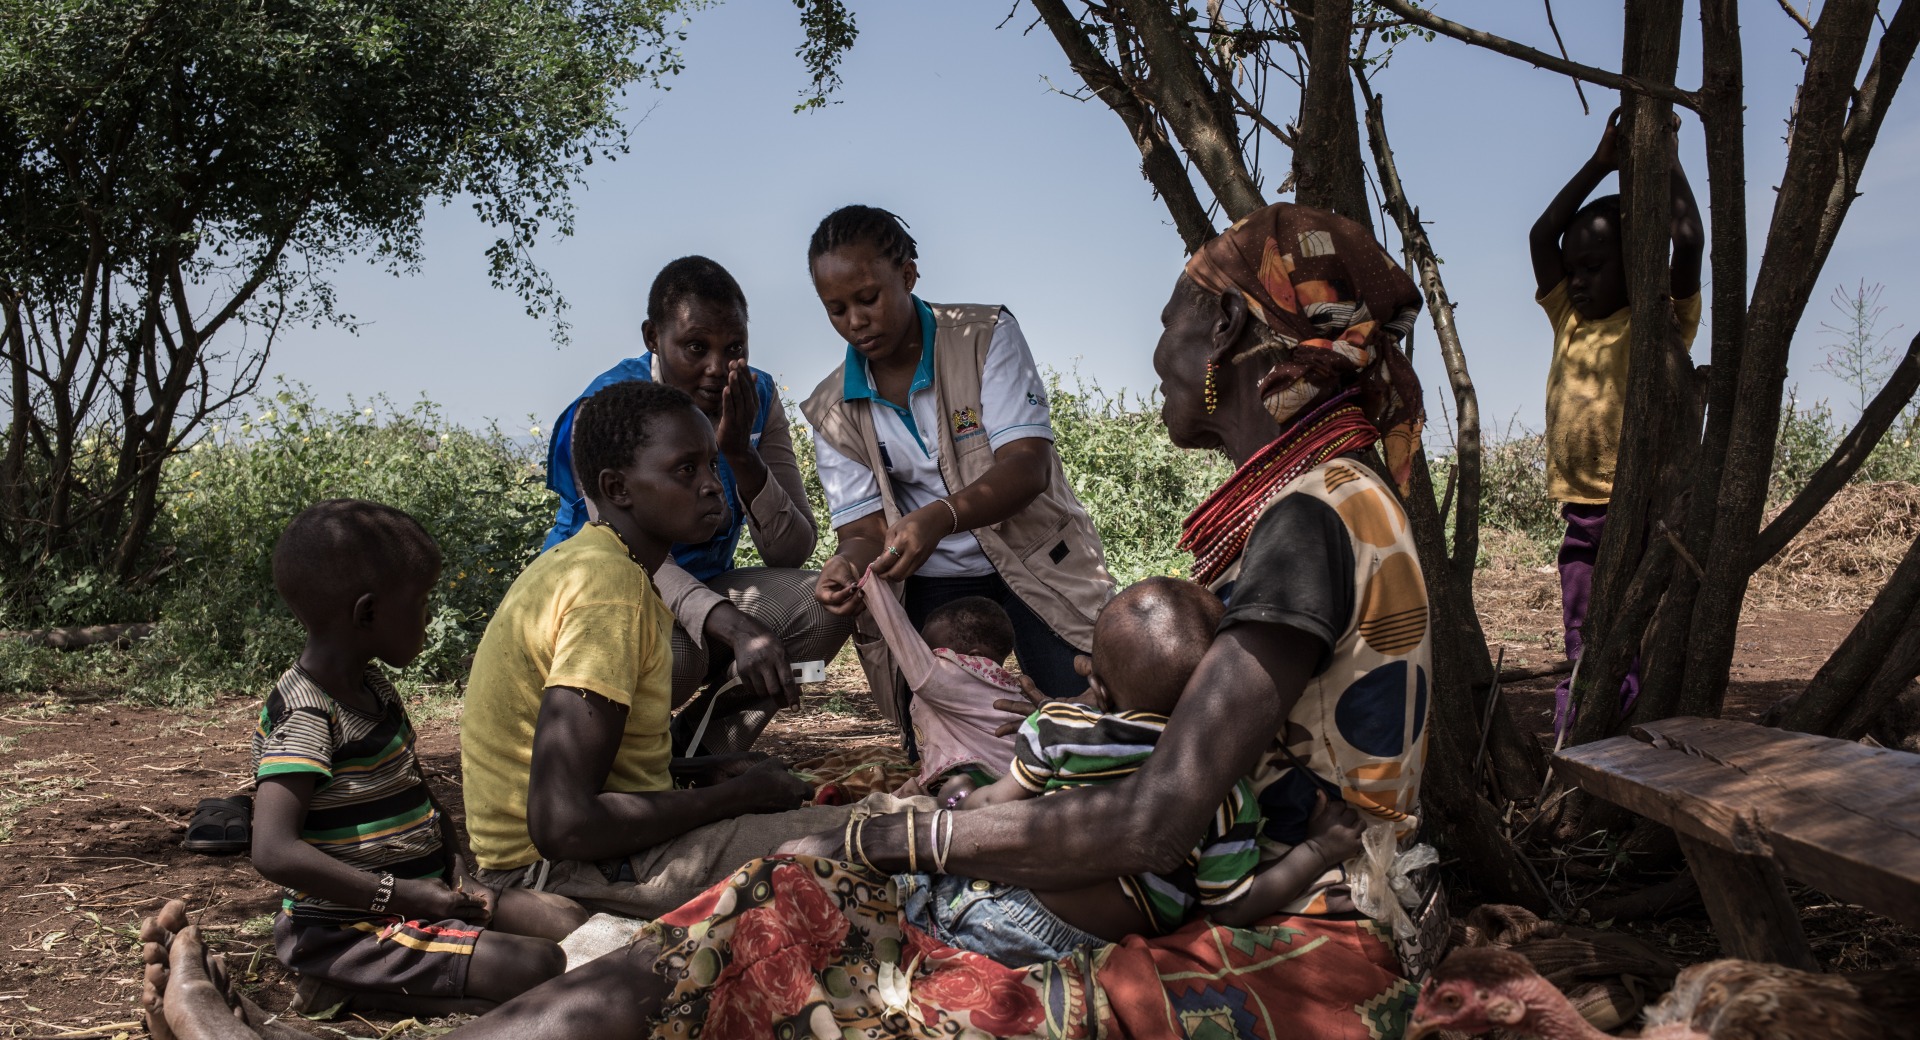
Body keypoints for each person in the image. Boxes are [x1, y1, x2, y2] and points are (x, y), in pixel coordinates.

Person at [141, 203, 1431, 1040]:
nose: (1158, 352)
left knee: (751, 927)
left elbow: (1158, 816)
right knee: (750, 912)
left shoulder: (1314, 517)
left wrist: (919, 822)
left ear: (1256, 354)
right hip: (1219, 883)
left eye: (1181, 323)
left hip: (1280, 907)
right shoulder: (1331, 502)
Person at [463, 379, 913, 919]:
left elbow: (609, 768)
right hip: (553, 871)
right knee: (881, 841)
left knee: (878, 833)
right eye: (685, 470)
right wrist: (737, 799)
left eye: (709, 465)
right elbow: (564, 824)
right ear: (617, 487)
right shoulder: (607, 588)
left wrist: (705, 771)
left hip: (575, 853)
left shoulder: (605, 566)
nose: (711, 485)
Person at [901, 577, 1367, 967]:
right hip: (1085, 951)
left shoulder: (1061, 725)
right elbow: (1232, 907)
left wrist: (951, 804)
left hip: (1000, 909)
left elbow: (991, 806)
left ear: (1098, 689)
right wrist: (1320, 850)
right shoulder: (1223, 789)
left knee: (961, 795)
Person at [252, 500, 587, 1015]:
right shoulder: (307, 714)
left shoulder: (375, 688)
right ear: (367, 613)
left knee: (570, 921)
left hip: (418, 901)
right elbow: (274, 851)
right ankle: (349, 989)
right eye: (422, 600)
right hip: (347, 930)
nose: (430, 614)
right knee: (536, 967)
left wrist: (457, 871)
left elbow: (417, 795)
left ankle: (450, 989)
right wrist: (399, 896)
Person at [802, 205, 1116, 735]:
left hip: (1035, 560)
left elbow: (1027, 467)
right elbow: (861, 532)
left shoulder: (986, 335)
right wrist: (847, 565)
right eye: (835, 309)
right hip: (932, 581)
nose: (854, 321)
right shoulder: (832, 409)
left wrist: (938, 518)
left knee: (1088, 719)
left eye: (868, 298)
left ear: (907, 275)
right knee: (943, 741)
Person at [543, 256, 851, 755]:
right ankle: (610, 765)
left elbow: (791, 551)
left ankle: (703, 755)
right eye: (695, 348)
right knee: (677, 655)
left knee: (824, 606)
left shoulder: (755, 397)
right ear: (652, 338)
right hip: (602, 601)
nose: (716, 369)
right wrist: (736, 625)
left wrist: (739, 453)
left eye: (734, 349)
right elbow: (627, 555)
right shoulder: (603, 414)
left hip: (704, 583)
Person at [1529, 111, 1703, 736]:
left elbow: (1688, 242)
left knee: (1636, 624)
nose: (1575, 279)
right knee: (1583, 627)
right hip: (1582, 513)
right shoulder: (1568, 321)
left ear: (1634, 263)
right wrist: (1601, 164)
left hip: (1641, 510)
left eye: (1593, 267)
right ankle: (1585, 719)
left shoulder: (1658, 322)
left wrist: (1667, 161)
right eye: (1572, 268)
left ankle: (1622, 723)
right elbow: (1540, 236)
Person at [857, 563, 1023, 794]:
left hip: (989, 780)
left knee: (938, 800)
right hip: (1000, 778)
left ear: (973, 658)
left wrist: (871, 585)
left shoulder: (960, 678)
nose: (928, 661)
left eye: (934, 654)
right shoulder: (993, 685)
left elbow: (904, 642)